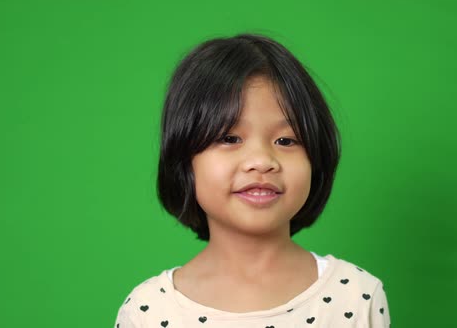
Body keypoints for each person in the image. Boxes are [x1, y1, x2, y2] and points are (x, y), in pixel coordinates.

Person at [114, 33, 391, 327]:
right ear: (184, 160)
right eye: (229, 138)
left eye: (286, 140)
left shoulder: (357, 295)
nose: (262, 161)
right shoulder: (149, 311)